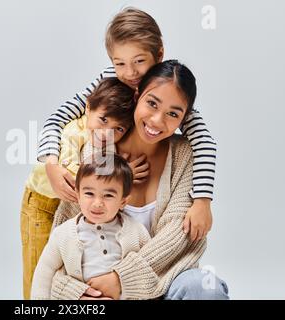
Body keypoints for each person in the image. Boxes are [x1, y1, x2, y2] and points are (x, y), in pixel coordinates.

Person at [50, 60, 229, 300]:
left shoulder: (186, 155)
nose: (157, 120)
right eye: (152, 103)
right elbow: (65, 233)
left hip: (162, 281)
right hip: (98, 287)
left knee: (204, 288)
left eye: (173, 114)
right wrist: (76, 293)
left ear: (184, 119)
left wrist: (121, 278)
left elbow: (179, 236)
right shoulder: (97, 150)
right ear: (137, 96)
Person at [39, 7, 215, 244]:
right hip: (46, 193)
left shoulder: (172, 91)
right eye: (119, 63)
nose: (130, 73)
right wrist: (50, 163)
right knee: (40, 273)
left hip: (95, 199)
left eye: (139, 61)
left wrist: (202, 200)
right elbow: (57, 118)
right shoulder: (110, 80)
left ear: (159, 54)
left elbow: (204, 142)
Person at [20, 78, 136, 299]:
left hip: (71, 206)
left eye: (117, 128)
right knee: (39, 267)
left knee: (63, 265)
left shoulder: (106, 141)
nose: (105, 132)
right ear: (88, 108)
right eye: (102, 120)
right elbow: (75, 172)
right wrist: (120, 172)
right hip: (41, 204)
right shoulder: (73, 132)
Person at [31, 154, 151, 300]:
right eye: (89, 193)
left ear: (123, 201)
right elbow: (45, 271)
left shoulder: (136, 230)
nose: (97, 203)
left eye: (108, 195)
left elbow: (148, 269)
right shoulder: (63, 234)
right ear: (78, 194)